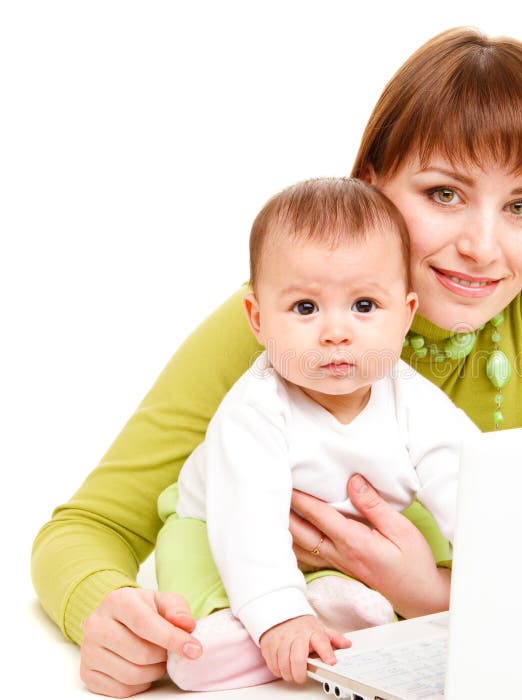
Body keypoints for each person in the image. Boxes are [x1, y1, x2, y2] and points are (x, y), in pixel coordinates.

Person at [30, 26, 522, 698]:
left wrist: (427, 591)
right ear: (370, 184)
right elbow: (87, 528)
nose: (482, 247)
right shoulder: (291, 328)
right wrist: (110, 616)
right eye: (443, 193)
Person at [158, 177, 479, 690]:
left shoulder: (412, 399)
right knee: (194, 556)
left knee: (429, 523)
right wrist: (278, 613)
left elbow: (463, 477)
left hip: (351, 531)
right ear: (258, 320)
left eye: (365, 306)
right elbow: (246, 527)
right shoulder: (256, 409)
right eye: (305, 308)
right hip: (219, 519)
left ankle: (335, 607)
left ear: (406, 315)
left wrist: (495, 566)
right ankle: (234, 629)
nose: (336, 331)